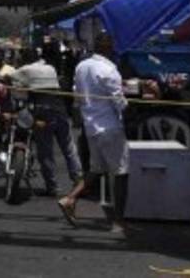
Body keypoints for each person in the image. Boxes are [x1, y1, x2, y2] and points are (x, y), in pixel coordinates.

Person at [65, 32, 129, 232]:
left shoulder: (82, 66)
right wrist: (131, 103)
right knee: (121, 172)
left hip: (91, 126)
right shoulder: (109, 70)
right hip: (109, 126)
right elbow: (119, 102)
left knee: (96, 169)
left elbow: (77, 97)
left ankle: (69, 198)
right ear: (109, 48)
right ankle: (118, 221)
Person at [12, 47, 84, 204]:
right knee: (68, 147)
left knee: (46, 151)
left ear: (24, 59)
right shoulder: (50, 67)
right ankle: (78, 180)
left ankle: (53, 187)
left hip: (42, 111)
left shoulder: (24, 69)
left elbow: (11, 80)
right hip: (60, 109)